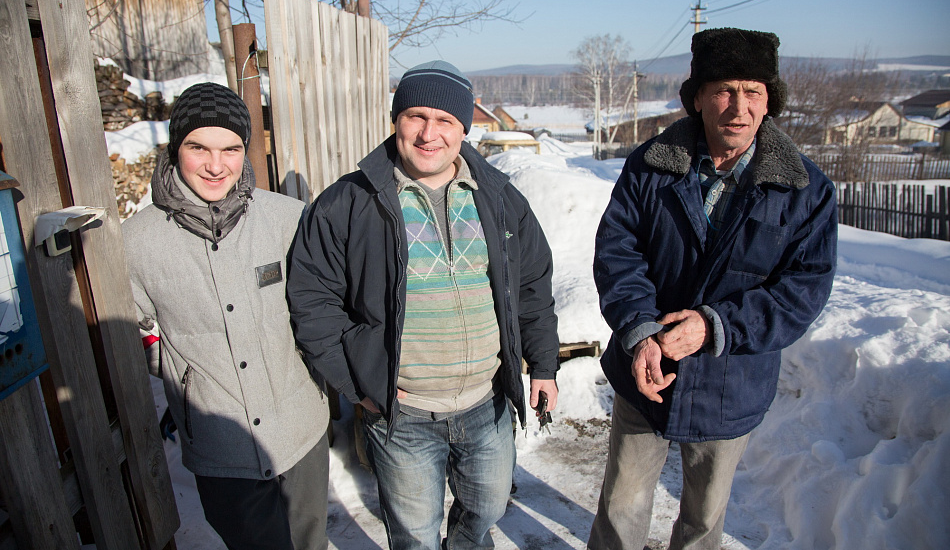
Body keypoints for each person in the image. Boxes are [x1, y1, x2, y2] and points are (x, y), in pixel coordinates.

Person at [287, 60, 560, 550]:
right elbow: (312, 303)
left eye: (445, 121)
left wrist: (543, 365)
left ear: (463, 128)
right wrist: (359, 386)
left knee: (488, 509)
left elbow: (533, 285)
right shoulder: (347, 203)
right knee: (414, 535)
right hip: (401, 412)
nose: (429, 133)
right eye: (416, 116)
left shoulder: (498, 197)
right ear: (396, 120)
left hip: (486, 402)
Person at [587, 28, 837, 550]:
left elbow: (801, 290)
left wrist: (713, 325)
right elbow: (618, 253)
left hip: (732, 381)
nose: (738, 107)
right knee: (621, 507)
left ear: (770, 102)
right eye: (723, 89)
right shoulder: (650, 166)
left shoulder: (804, 190)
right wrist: (642, 331)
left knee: (704, 520)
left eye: (753, 91)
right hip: (645, 371)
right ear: (697, 96)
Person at [122, 82, 330, 550]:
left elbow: (323, 304)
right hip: (219, 442)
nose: (217, 166)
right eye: (199, 148)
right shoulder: (135, 242)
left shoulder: (288, 218)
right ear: (176, 148)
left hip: (300, 427)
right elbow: (127, 331)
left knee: (309, 542)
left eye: (231, 149)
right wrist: (177, 368)